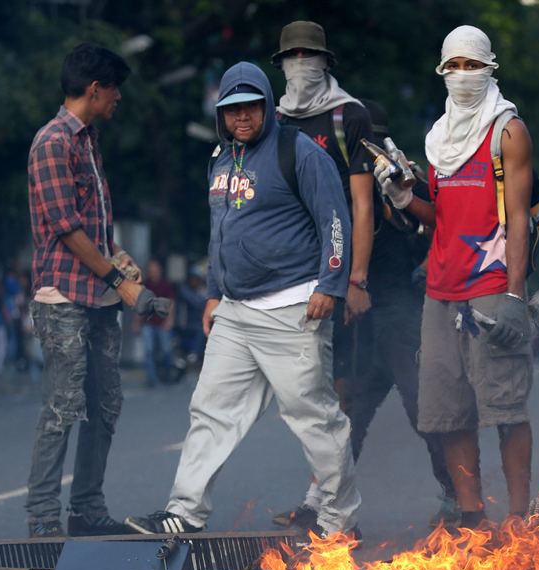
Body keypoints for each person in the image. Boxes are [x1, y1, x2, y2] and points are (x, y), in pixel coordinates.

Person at [125, 62, 359, 540]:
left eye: (252, 106)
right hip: (234, 311)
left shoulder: (299, 152)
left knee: (313, 417)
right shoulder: (221, 157)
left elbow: (335, 219)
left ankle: (338, 520)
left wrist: (330, 285)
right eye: (233, 110)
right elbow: (220, 234)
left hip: (293, 307)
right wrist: (213, 294)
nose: (243, 117)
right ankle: (185, 511)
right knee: (210, 409)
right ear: (222, 115)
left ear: (268, 106)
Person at [275, 99, 459, 533]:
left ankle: (456, 500)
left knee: (425, 411)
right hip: (357, 319)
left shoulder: (401, 177)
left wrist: (403, 191)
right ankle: (323, 508)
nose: (366, 147)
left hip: (401, 313)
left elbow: (437, 228)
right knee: (343, 415)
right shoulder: (334, 177)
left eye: (371, 138)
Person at [376, 26, 534, 528]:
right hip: (440, 293)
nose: (463, 75)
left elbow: (520, 218)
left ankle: (518, 518)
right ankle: (473, 518)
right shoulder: (438, 139)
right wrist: (403, 197)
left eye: (473, 65)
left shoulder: (508, 131)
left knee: (505, 409)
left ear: (490, 69)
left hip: (489, 289)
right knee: (449, 415)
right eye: (454, 66)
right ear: (442, 72)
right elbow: (440, 216)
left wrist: (514, 294)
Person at [26, 44, 147, 537]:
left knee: (105, 405)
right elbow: (67, 228)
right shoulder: (53, 142)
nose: (118, 97)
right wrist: (117, 278)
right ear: (94, 89)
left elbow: (93, 230)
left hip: (96, 294)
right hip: (63, 300)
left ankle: (87, 509)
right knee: (61, 408)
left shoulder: (88, 140)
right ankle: (41, 521)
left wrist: (118, 258)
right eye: (114, 89)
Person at [268, 21, 378, 534]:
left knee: (334, 393)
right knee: (307, 395)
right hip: (285, 280)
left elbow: (361, 203)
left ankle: (335, 511)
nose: (301, 63)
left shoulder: (347, 115)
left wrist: (353, 279)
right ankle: (322, 501)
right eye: (292, 55)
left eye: (310, 54)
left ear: (326, 61)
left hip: (331, 280)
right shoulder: (272, 120)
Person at [132, 260, 176, 386]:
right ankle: (152, 379)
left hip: (162, 322)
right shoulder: (144, 285)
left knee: (166, 349)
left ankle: (168, 374)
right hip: (148, 322)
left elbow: (171, 304)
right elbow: (138, 305)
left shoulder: (165, 284)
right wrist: (136, 323)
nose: (153, 272)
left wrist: (169, 320)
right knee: (149, 350)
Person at [176, 267, 208, 362]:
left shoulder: (198, 290)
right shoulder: (184, 290)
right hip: (185, 323)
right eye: (193, 278)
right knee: (202, 330)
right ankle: (195, 353)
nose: (195, 281)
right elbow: (198, 303)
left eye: (197, 279)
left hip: (197, 321)